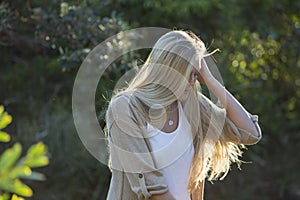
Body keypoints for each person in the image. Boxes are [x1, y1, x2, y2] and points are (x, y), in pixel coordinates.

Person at [105, 30, 262, 200]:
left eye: (196, 74)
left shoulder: (193, 106)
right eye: (187, 74)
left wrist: (210, 79)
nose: (192, 82)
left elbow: (250, 133)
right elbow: (152, 189)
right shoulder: (125, 108)